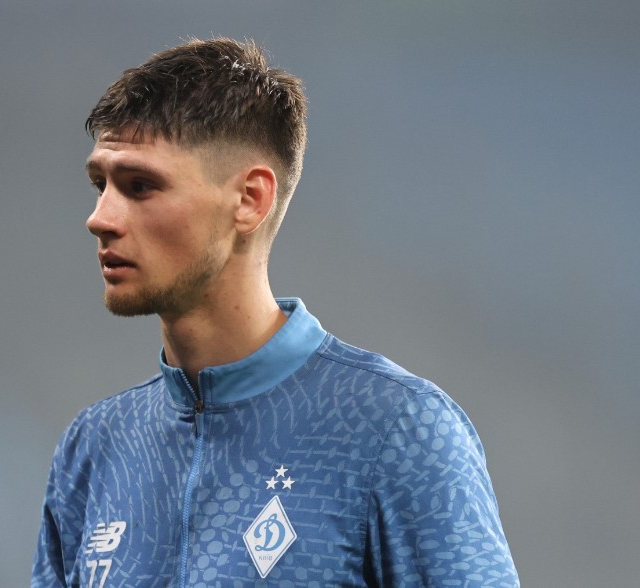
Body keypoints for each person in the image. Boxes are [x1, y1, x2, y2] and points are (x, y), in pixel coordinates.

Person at [33, 37, 518, 587]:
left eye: (140, 186)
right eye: (100, 184)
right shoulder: (93, 448)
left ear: (250, 199)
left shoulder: (399, 431)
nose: (100, 218)